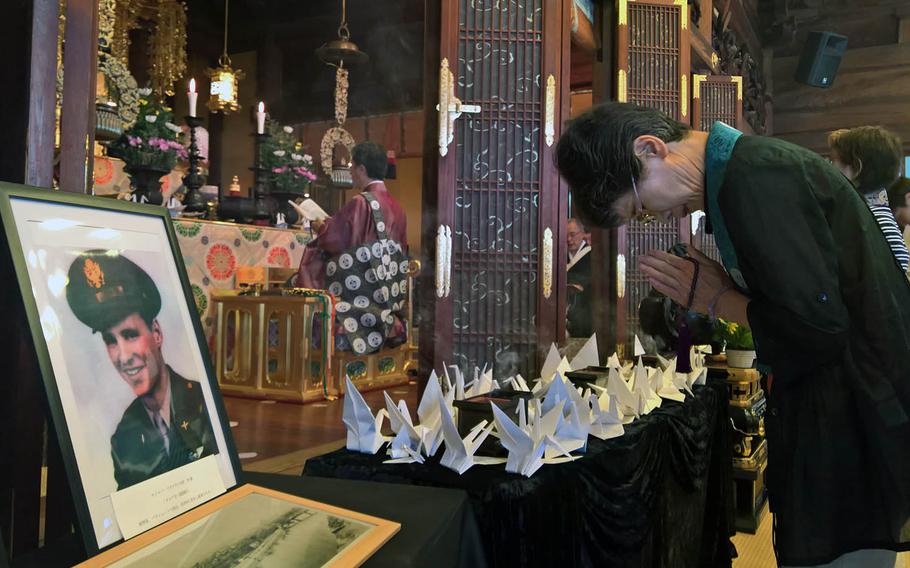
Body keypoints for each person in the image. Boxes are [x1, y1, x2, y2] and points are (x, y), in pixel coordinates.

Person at [556, 103, 910, 567]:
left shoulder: (755, 179)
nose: (659, 217)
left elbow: (819, 329)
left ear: (650, 149)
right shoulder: (746, 173)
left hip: (851, 423)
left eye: (641, 208)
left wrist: (718, 299)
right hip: (842, 413)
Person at [66, 251, 218, 490]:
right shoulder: (124, 439)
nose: (123, 356)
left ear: (156, 333)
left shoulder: (204, 404)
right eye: (111, 341)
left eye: (130, 335)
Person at [293, 141, 409, 353]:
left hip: (360, 289)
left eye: (352, 167)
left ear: (361, 169)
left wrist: (321, 227)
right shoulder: (398, 208)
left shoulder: (360, 202)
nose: (350, 172)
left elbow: (335, 241)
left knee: (295, 282)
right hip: (387, 293)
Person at [828, 126, 910, 271]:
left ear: (856, 168)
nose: (828, 168)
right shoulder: (867, 215)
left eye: (833, 162)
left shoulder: (873, 224)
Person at [566, 218, 592, 337]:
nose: (568, 239)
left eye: (572, 234)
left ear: (582, 234)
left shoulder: (592, 255)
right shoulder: (560, 255)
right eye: (565, 235)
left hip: (584, 312)